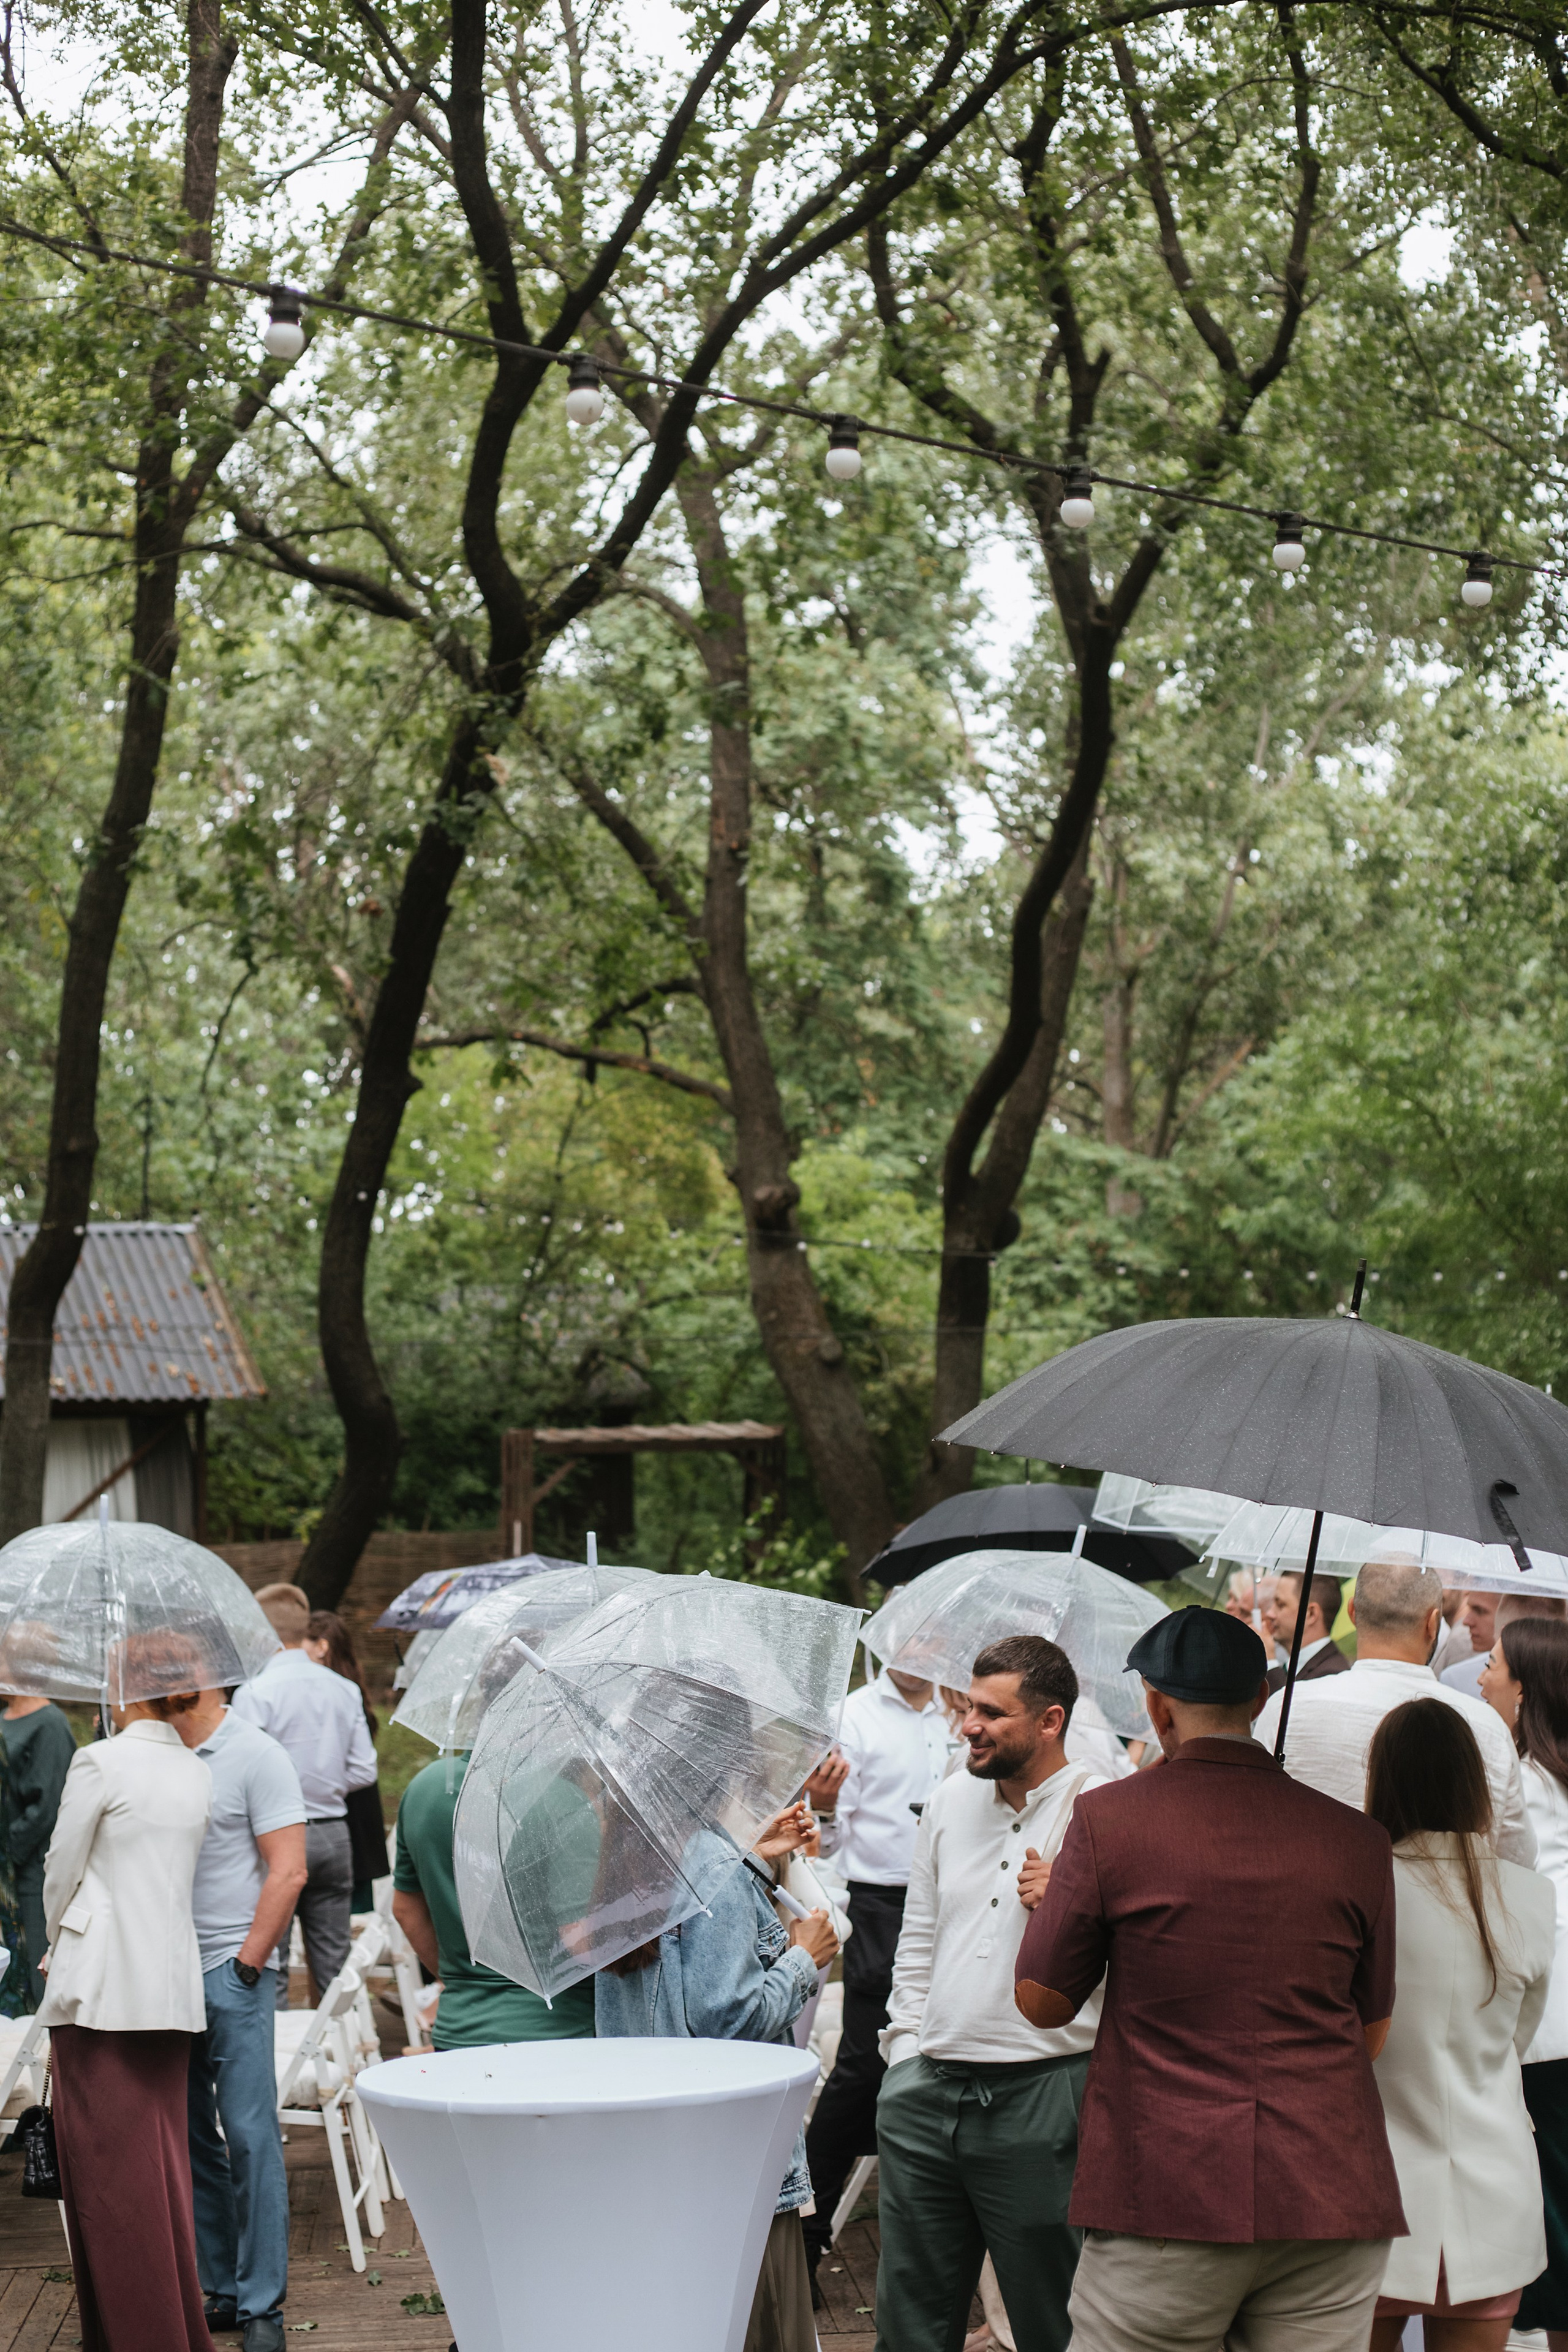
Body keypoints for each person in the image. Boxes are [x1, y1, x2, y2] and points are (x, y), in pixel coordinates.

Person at [1016, 1606, 1405, 2352]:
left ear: (1156, 1707)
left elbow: (1040, 2001)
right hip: (1330, 2190)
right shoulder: (1357, 1838)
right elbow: (1371, 2034)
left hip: (1166, 2190)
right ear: (1260, 1698)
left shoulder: (1107, 1820)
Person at [875, 1635, 1107, 2352]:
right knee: (909, 2321)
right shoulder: (949, 1798)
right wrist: (903, 2058)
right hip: (927, 2090)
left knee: (1052, 2321)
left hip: (1043, 2096)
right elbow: (918, 1938)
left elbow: (1144, 1964)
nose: (968, 1725)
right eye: (969, 1707)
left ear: (1050, 1721)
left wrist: (1070, 1909)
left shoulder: (1105, 1810)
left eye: (991, 1714)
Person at [595, 1801, 839, 2352]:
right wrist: (803, 1958)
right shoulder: (712, 1866)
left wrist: (750, 1859)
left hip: (656, 2150)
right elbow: (730, 2021)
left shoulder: (629, 1857)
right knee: (758, 2328)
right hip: (735, 2160)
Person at [37, 1638, 215, 2352]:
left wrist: (57, 1942)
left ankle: (143, 2338)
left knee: (109, 2182)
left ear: (126, 1688)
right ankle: (167, 2331)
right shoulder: (196, 1770)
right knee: (160, 2171)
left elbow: (59, 1871)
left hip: (99, 1990)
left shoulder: (100, 1762)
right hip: (168, 1991)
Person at [1365, 1698, 1553, 2348]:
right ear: (1473, 1783)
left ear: (1383, 1778)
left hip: (1374, 2191)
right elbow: (1515, 2039)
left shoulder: (1360, 1888)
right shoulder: (1530, 1896)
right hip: (1494, 2189)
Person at [800, 1661, 954, 2291]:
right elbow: (826, 1844)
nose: (920, 1652)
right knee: (863, 2064)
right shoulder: (854, 1716)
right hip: (878, 1904)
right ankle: (806, 2238)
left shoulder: (958, 1713)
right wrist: (824, 1806)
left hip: (953, 1899)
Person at [171, 1679, 309, 2352]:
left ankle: (262, 2308)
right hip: (163, 1977)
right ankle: (222, 2287)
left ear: (198, 1678)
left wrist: (247, 1965)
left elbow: (289, 1871)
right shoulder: (151, 1752)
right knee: (192, 2137)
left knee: (251, 2137)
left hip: (233, 1970)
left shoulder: (257, 1754)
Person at [1254, 1558, 1536, 1864]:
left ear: (1353, 1612)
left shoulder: (1287, 1708)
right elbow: (1518, 1858)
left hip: (1308, 1888)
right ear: (1433, 1623)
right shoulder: (1486, 1726)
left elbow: (1256, 1813)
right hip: (1443, 1894)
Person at [1480, 1615, 1568, 2348]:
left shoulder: (1526, 1784)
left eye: (1493, 1664)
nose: (1481, 1676)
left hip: (1549, 2026)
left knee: (1557, 2210)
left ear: (1524, 1690)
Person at [232, 1584, 377, 2004]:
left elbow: (242, 1772)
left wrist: (287, 1797)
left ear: (262, 1634)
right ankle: (340, 2043)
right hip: (333, 1833)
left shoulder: (255, 1693)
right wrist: (324, 1786)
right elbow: (365, 1770)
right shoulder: (345, 1689)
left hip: (275, 1838)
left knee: (270, 1963)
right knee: (334, 1966)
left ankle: (277, 2045)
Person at [393, 1745, 597, 2045]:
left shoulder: (426, 1787)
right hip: (559, 2032)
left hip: (459, 2028)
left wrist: (463, 1980)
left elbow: (405, 1910)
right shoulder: (564, 1798)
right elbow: (581, 1939)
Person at [302, 1611, 389, 1910]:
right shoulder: (351, 1689)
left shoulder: (340, 1694)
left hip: (343, 1813)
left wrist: (319, 1782)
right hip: (344, 1808)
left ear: (322, 1647)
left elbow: (362, 1769)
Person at [2, 1690, 77, 2008]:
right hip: (5, 1876)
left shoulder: (50, 1724)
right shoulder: (4, 1717)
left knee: (34, 1975)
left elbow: (47, 1808)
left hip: (30, 1875)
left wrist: (8, 1853)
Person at [1444, 1589, 1567, 1700]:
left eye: (1480, 1611)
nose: (1466, 1621)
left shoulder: (1456, 1679)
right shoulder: (1455, 1678)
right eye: (1489, 1664)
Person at [1264, 1570, 1348, 1694]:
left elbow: (1288, 1704)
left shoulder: (1332, 1674)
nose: (1270, 1613)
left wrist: (1270, 1662)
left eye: (1281, 1604)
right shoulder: (1293, 1664)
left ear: (1311, 1614)